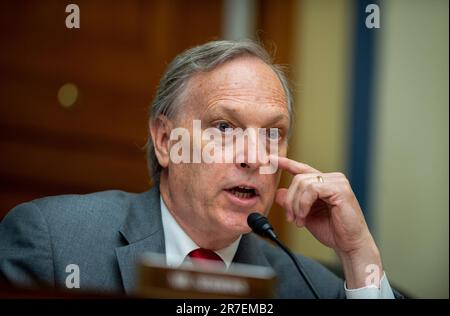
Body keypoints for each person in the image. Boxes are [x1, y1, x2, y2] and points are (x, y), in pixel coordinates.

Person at [0, 40, 401, 298]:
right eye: (225, 127)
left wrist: (357, 253)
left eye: (272, 134)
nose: (253, 157)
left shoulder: (311, 288)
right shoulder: (54, 243)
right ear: (164, 141)